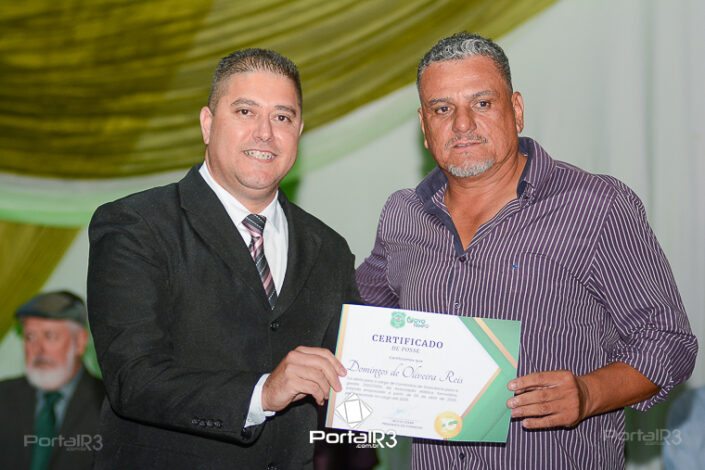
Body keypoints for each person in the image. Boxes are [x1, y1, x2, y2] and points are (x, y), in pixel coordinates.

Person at [355, 32, 698, 469]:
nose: (462, 125)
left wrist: (589, 393)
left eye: (482, 103)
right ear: (424, 126)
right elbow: (356, 313)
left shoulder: (596, 206)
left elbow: (668, 341)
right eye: (442, 109)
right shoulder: (404, 215)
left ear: (516, 110)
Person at [87, 48, 359, 470]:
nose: (265, 133)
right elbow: (133, 378)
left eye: (282, 117)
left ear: (299, 131)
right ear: (207, 124)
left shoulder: (330, 248)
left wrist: (455, 392)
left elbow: (357, 375)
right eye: (246, 112)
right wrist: (262, 393)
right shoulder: (135, 225)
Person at [0, 291, 104, 470]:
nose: (39, 349)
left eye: (50, 336)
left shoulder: (108, 405)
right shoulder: (4, 396)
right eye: (30, 337)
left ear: (80, 342)